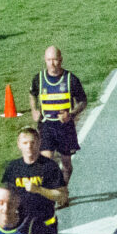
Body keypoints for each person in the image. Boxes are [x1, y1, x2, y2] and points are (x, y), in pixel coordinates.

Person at [0, 123, 69, 234]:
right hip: (21, 226)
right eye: (25, 143)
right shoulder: (13, 168)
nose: (29, 146)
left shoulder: (49, 166)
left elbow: (62, 196)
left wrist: (38, 189)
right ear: (19, 145)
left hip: (46, 225)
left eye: (32, 142)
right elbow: (5, 197)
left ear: (39, 143)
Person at [32, 45, 87, 180]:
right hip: (46, 125)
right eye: (49, 60)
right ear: (45, 60)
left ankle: (63, 189)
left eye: (55, 60)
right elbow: (32, 94)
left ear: (61, 60)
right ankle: (52, 192)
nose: (52, 63)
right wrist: (34, 109)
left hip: (65, 127)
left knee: (66, 164)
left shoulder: (71, 79)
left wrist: (72, 114)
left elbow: (83, 101)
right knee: (46, 160)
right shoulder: (39, 78)